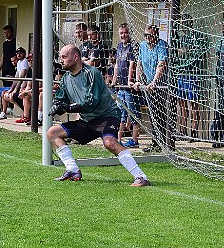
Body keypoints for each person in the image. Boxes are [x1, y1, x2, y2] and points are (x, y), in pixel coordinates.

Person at [47, 44, 149, 187]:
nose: (61, 60)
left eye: (64, 57)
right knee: (52, 133)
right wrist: (57, 106)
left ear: (75, 57)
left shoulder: (92, 73)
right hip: (87, 120)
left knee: (109, 143)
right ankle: (72, 170)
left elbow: (91, 102)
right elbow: (61, 99)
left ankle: (141, 177)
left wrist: (68, 108)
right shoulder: (65, 79)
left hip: (107, 116)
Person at [133, 24, 170, 152]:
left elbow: (161, 64)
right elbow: (139, 64)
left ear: (156, 35)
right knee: (152, 114)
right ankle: (156, 143)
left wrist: (154, 82)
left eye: (150, 35)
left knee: (160, 115)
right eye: (146, 35)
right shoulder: (143, 46)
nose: (147, 38)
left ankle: (164, 143)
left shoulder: (162, 45)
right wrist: (138, 80)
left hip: (162, 86)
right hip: (149, 86)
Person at [176, 14, 205, 140]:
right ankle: (182, 130)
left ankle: (194, 131)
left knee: (193, 104)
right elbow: (178, 52)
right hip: (180, 74)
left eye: (186, 22)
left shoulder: (196, 37)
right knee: (181, 104)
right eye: (182, 23)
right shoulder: (179, 38)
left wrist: (185, 51)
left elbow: (194, 51)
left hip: (192, 74)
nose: (183, 25)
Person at [112, 23, 141, 148]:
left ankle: (135, 140)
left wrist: (130, 80)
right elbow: (117, 65)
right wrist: (114, 81)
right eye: (121, 33)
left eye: (125, 33)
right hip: (121, 87)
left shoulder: (133, 46)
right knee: (120, 113)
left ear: (130, 33)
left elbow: (132, 64)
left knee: (133, 113)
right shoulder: (119, 46)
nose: (123, 35)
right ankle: (118, 139)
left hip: (130, 87)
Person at [211, 21, 224, 148]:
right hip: (222, 80)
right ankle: (214, 134)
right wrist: (218, 77)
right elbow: (219, 61)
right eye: (223, 27)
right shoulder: (221, 42)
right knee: (221, 109)